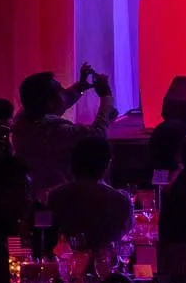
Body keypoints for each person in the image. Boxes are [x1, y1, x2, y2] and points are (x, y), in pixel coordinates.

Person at [12, 64, 115, 195]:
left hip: (32, 193)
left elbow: (58, 104)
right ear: (50, 101)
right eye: (60, 90)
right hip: (57, 197)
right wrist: (106, 97)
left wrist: (81, 86)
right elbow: (97, 135)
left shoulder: (22, 119)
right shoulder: (53, 130)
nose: (64, 92)